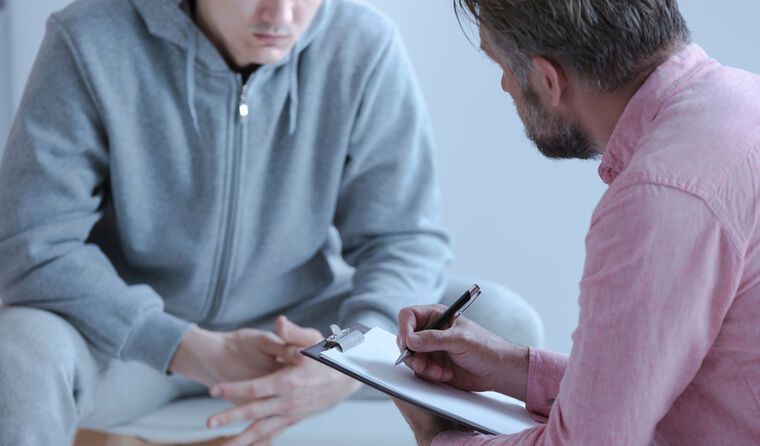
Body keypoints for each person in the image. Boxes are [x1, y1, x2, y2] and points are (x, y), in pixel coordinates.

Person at [0, 0, 543, 445]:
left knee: (502, 324)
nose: (281, 15)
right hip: (133, 340)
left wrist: (350, 361)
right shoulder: (88, 41)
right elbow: (34, 243)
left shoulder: (363, 45)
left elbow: (404, 237)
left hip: (305, 331)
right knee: (15, 359)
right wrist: (183, 346)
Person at [393, 1, 760, 445]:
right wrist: (515, 368)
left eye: (502, 66)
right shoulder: (742, 101)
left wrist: (441, 438)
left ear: (548, 79)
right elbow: (655, 392)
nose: (505, 85)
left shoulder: (659, 198)